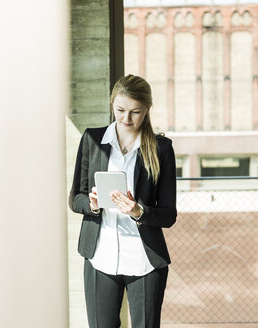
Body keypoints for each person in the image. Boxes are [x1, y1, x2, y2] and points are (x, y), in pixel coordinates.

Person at [69, 74, 177, 328]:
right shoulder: (92, 140)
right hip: (100, 256)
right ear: (112, 105)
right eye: (120, 110)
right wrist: (93, 204)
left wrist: (139, 211)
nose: (126, 119)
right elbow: (76, 198)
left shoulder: (161, 149)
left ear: (147, 110)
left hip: (144, 260)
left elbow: (169, 215)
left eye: (135, 112)